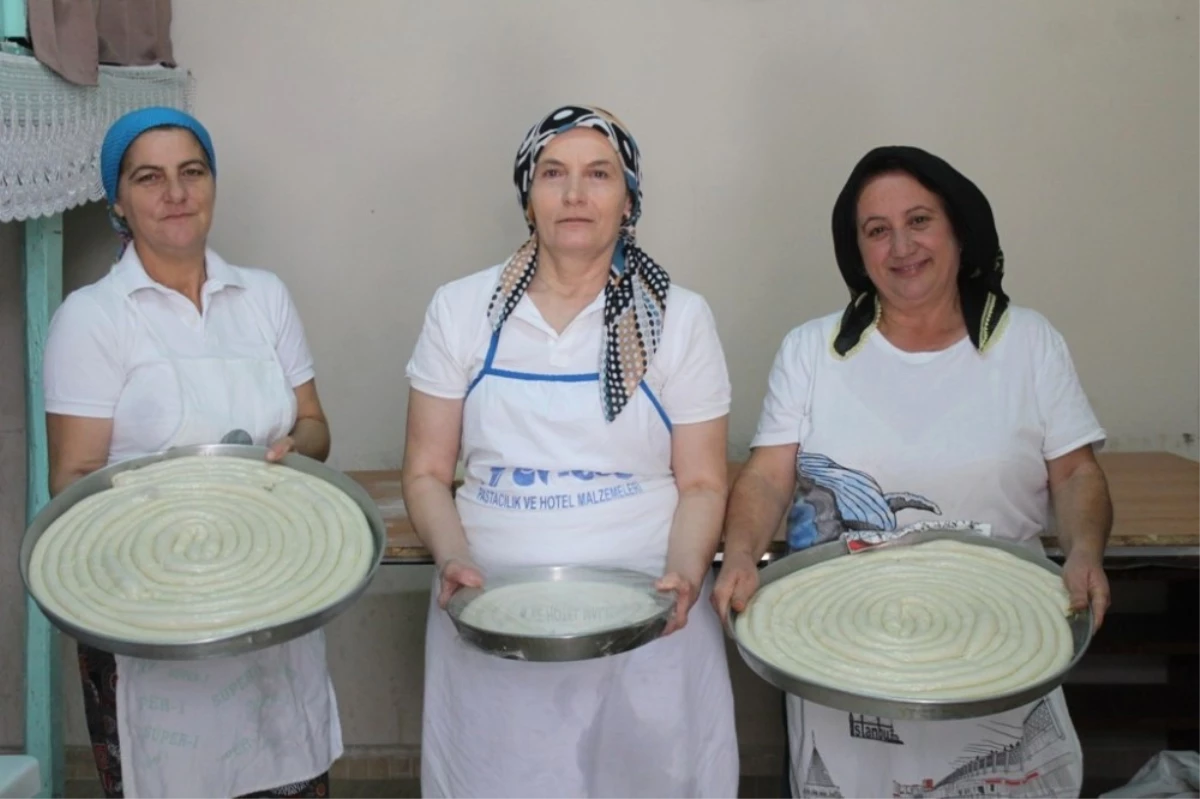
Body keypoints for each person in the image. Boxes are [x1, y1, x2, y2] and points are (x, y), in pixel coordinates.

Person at [712, 146, 1112, 799]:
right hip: (841, 649)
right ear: (857, 250)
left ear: (959, 228)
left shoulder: (1028, 342)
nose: (901, 246)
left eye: (919, 220)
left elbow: (1076, 476)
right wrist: (739, 554)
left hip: (1003, 638)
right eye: (877, 230)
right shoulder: (813, 350)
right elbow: (766, 478)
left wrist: (1085, 552)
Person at [401, 104, 739, 799]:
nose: (576, 194)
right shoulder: (462, 310)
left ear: (628, 198)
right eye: (554, 173)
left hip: (648, 613)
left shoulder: (678, 318)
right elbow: (428, 471)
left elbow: (704, 481)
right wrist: (454, 557)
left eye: (599, 174)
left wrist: (682, 574)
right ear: (528, 198)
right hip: (494, 614)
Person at [43, 107, 340, 799]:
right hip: (146, 606)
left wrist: (295, 447)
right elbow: (73, 479)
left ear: (212, 184)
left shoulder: (263, 296)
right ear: (118, 200)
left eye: (191, 172)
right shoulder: (93, 318)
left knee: (285, 771)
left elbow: (317, 423)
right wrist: (171, 525)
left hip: (273, 584)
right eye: (149, 178)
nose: (175, 193)